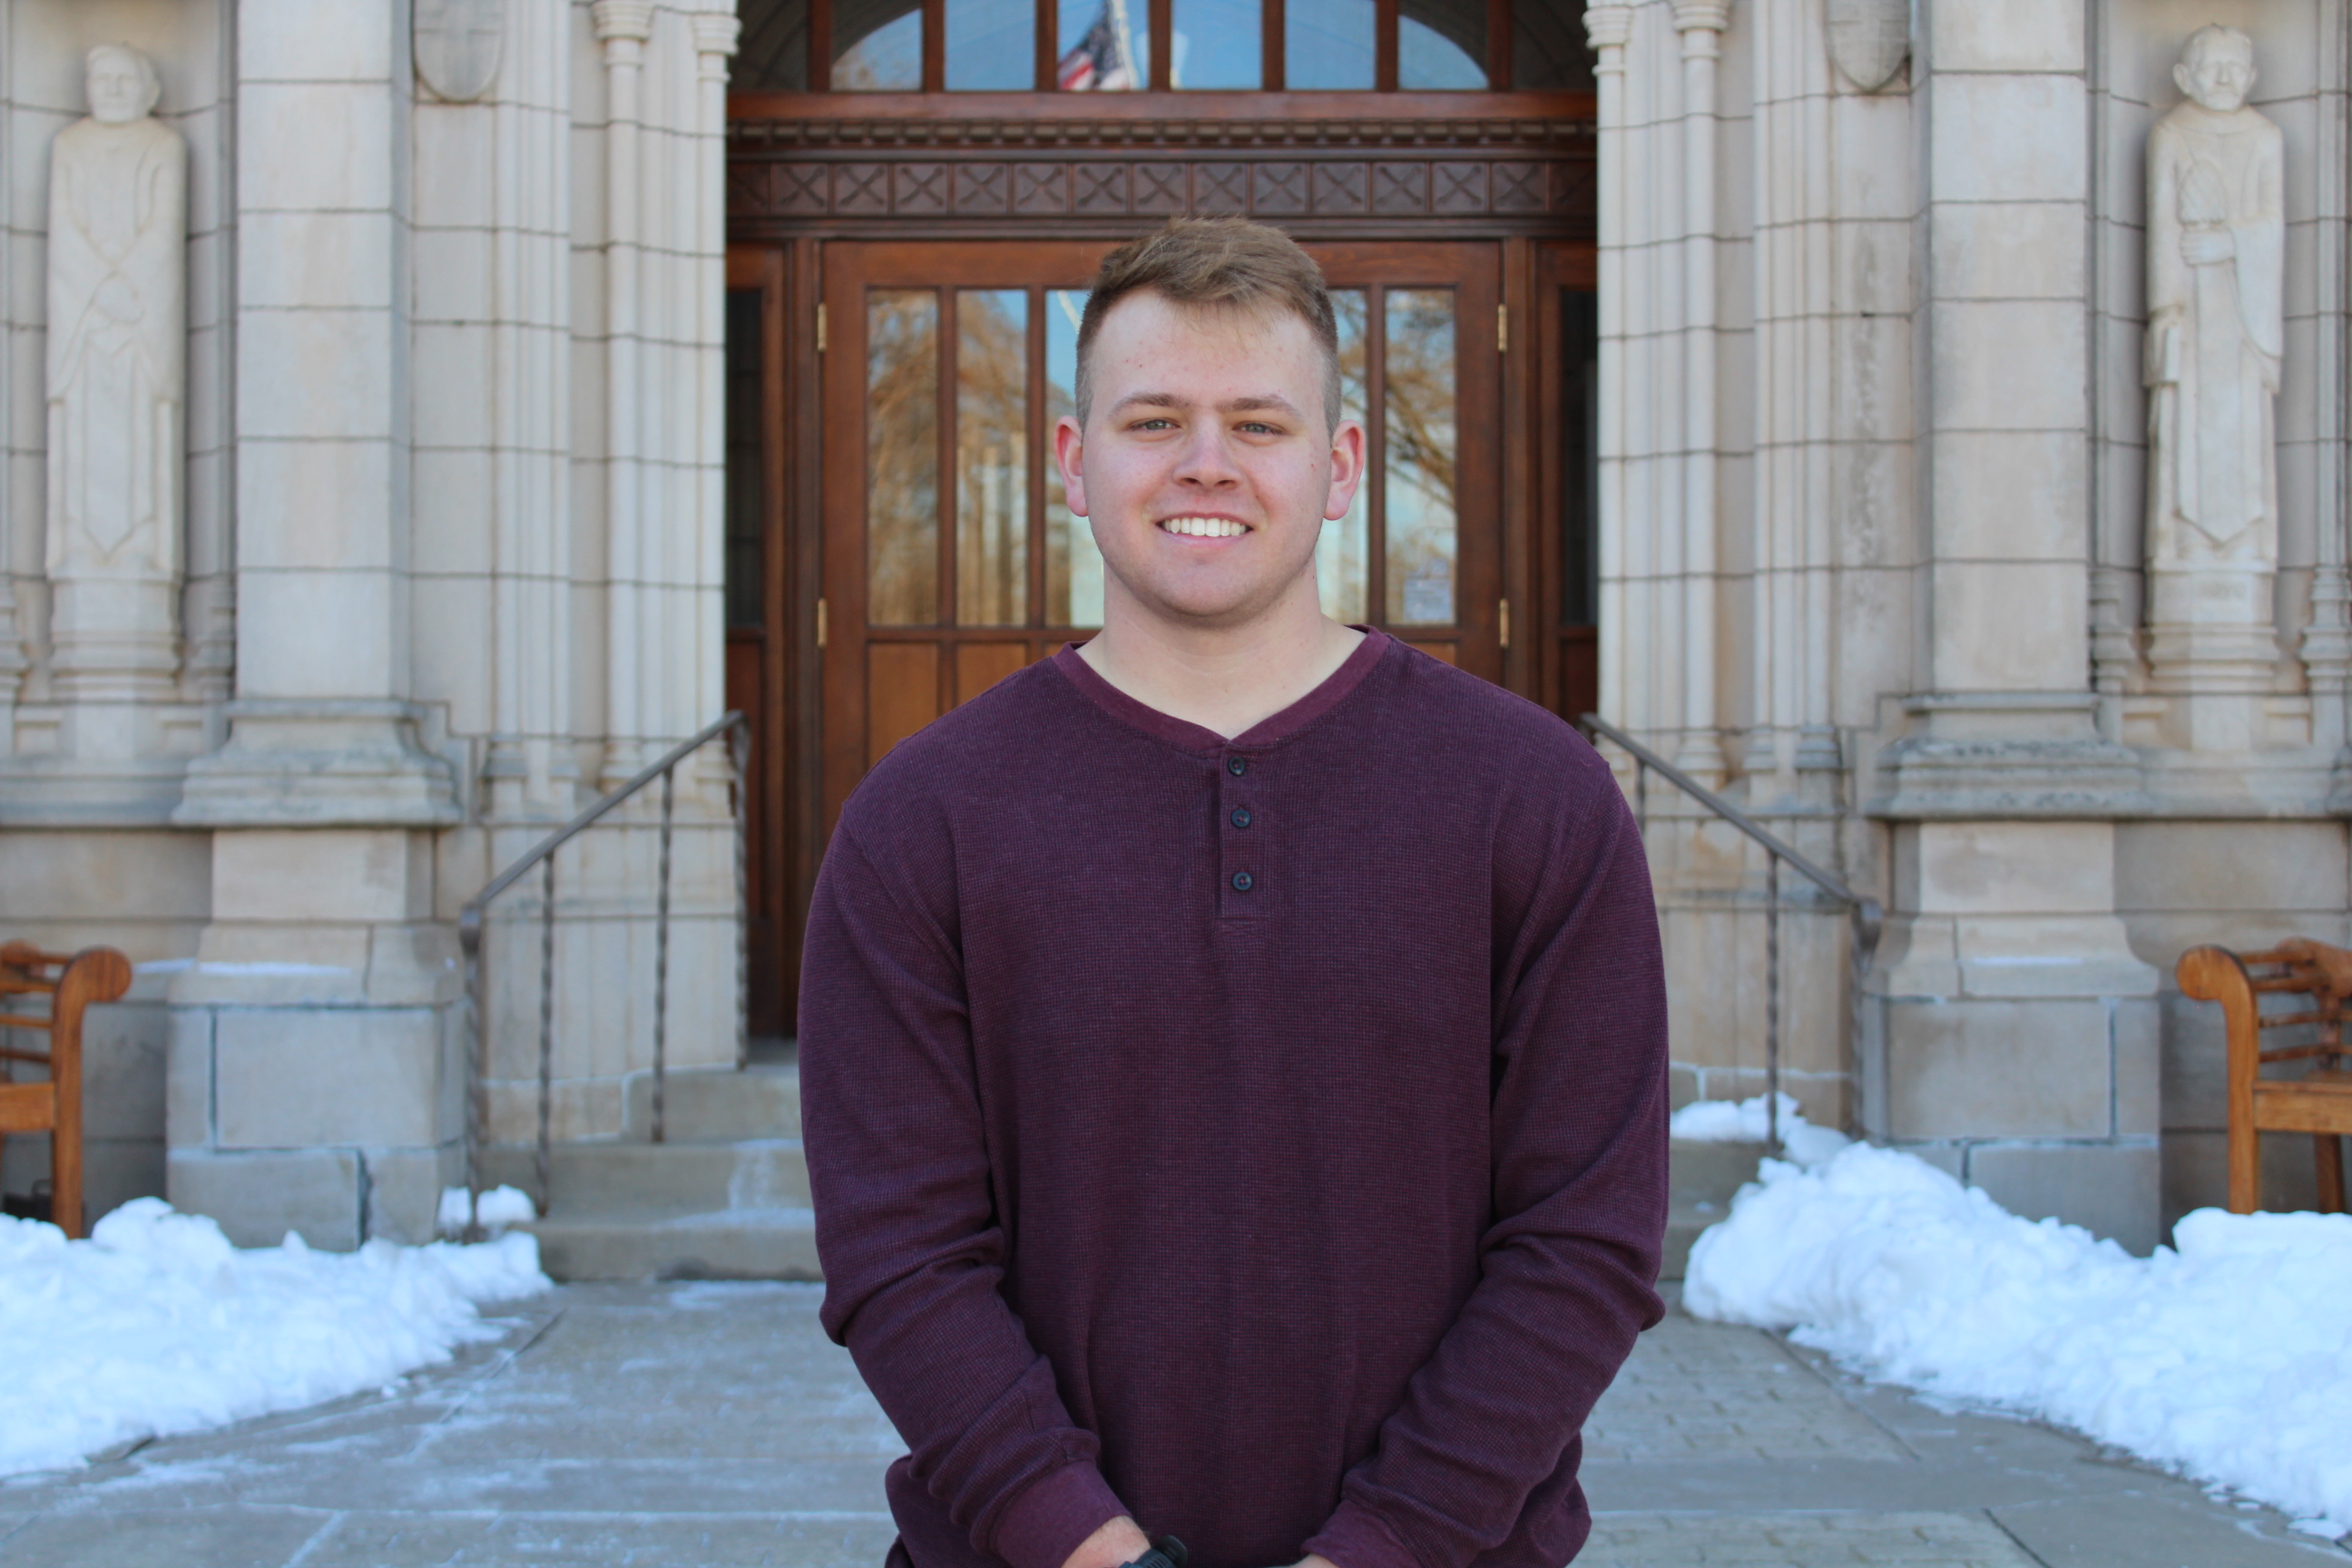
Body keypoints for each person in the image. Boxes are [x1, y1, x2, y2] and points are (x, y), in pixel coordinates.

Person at [800, 217, 1667, 1568]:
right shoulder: (922, 820)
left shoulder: (1535, 797)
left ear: (1339, 469)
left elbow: (1584, 1241)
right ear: (1075, 467)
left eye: (1258, 424)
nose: (1206, 463)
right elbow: (902, 1259)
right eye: (1155, 419)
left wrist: (1382, 1547)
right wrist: (1092, 1551)